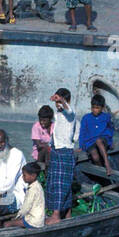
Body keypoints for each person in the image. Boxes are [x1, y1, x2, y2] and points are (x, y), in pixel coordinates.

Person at [45, 88, 79, 224]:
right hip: (56, 150)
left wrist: (62, 101)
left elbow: (68, 109)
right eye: (57, 102)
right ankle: (67, 213)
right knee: (57, 183)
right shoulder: (58, 114)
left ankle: (56, 215)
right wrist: (54, 99)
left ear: (66, 100)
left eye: (60, 101)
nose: (58, 104)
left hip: (64, 151)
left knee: (60, 184)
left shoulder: (70, 114)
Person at [0, 162, 45, 229]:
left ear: (33, 176)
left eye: (24, 175)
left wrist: (17, 216)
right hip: (37, 219)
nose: (22, 177)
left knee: (7, 224)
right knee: (13, 221)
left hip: (33, 221)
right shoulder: (37, 186)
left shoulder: (32, 190)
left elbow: (26, 207)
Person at [79, 93, 115, 174]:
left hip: (103, 139)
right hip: (90, 141)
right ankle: (101, 172)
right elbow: (82, 132)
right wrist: (81, 146)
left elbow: (111, 128)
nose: (95, 110)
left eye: (97, 108)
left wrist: (111, 142)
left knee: (99, 141)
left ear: (102, 108)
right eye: (93, 107)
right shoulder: (86, 118)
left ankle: (107, 164)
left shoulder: (106, 116)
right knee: (95, 157)